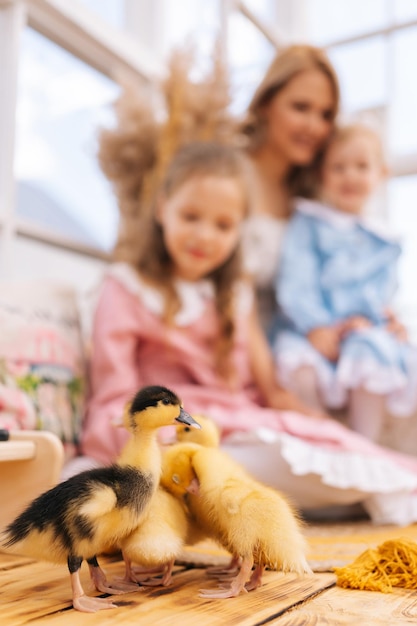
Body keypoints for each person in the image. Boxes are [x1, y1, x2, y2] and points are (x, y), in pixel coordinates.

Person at [69, 139, 417, 527]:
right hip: (167, 432)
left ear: (239, 230)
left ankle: (356, 492)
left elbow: (272, 391)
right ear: (162, 208)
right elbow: (115, 396)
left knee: (327, 453)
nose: (204, 236)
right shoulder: (126, 287)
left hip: (240, 424)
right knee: (202, 463)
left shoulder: (235, 295)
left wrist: (322, 425)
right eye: (191, 216)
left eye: (223, 225)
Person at [272, 123, 417, 443]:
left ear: (382, 173)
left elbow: (382, 294)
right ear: (322, 174)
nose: (349, 176)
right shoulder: (310, 223)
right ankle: (321, 437)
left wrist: (384, 318)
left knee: (374, 350)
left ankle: (364, 444)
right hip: (312, 330)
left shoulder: (384, 239)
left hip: (359, 330)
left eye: (361, 167)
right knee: (298, 364)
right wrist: (315, 325)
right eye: (338, 167)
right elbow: (296, 280)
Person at [240, 44, 340, 337]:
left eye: (326, 114)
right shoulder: (224, 175)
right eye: (301, 107)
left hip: (291, 355)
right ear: (265, 104)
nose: (314, 126)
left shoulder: (313, 199)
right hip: (231, 357)